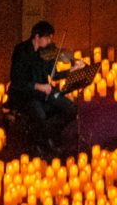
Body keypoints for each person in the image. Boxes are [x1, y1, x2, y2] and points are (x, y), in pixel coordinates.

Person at [7, 20, 75, 155]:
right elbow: (17, 81)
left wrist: (71, 70)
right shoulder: (21, 51)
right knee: (40, 114)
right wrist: (39, 86)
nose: (50, 41)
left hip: (45, 93)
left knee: (71, 109)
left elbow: (54, 75)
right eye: (48, 37)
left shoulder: (46, 52)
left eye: (51, 38)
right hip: (27, 94)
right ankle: (46, 141)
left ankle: (46, 134)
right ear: (37, 37)